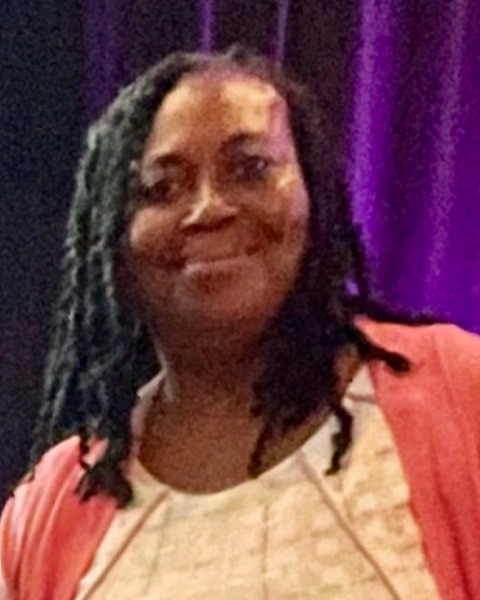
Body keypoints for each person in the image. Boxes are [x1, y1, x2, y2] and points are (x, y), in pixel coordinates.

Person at [1, 47, 480, 600]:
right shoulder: (55, 504)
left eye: (250, 169)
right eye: (161, 189)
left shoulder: (460, 392)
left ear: (313, 193)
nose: (208, 208)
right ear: (113, 243)